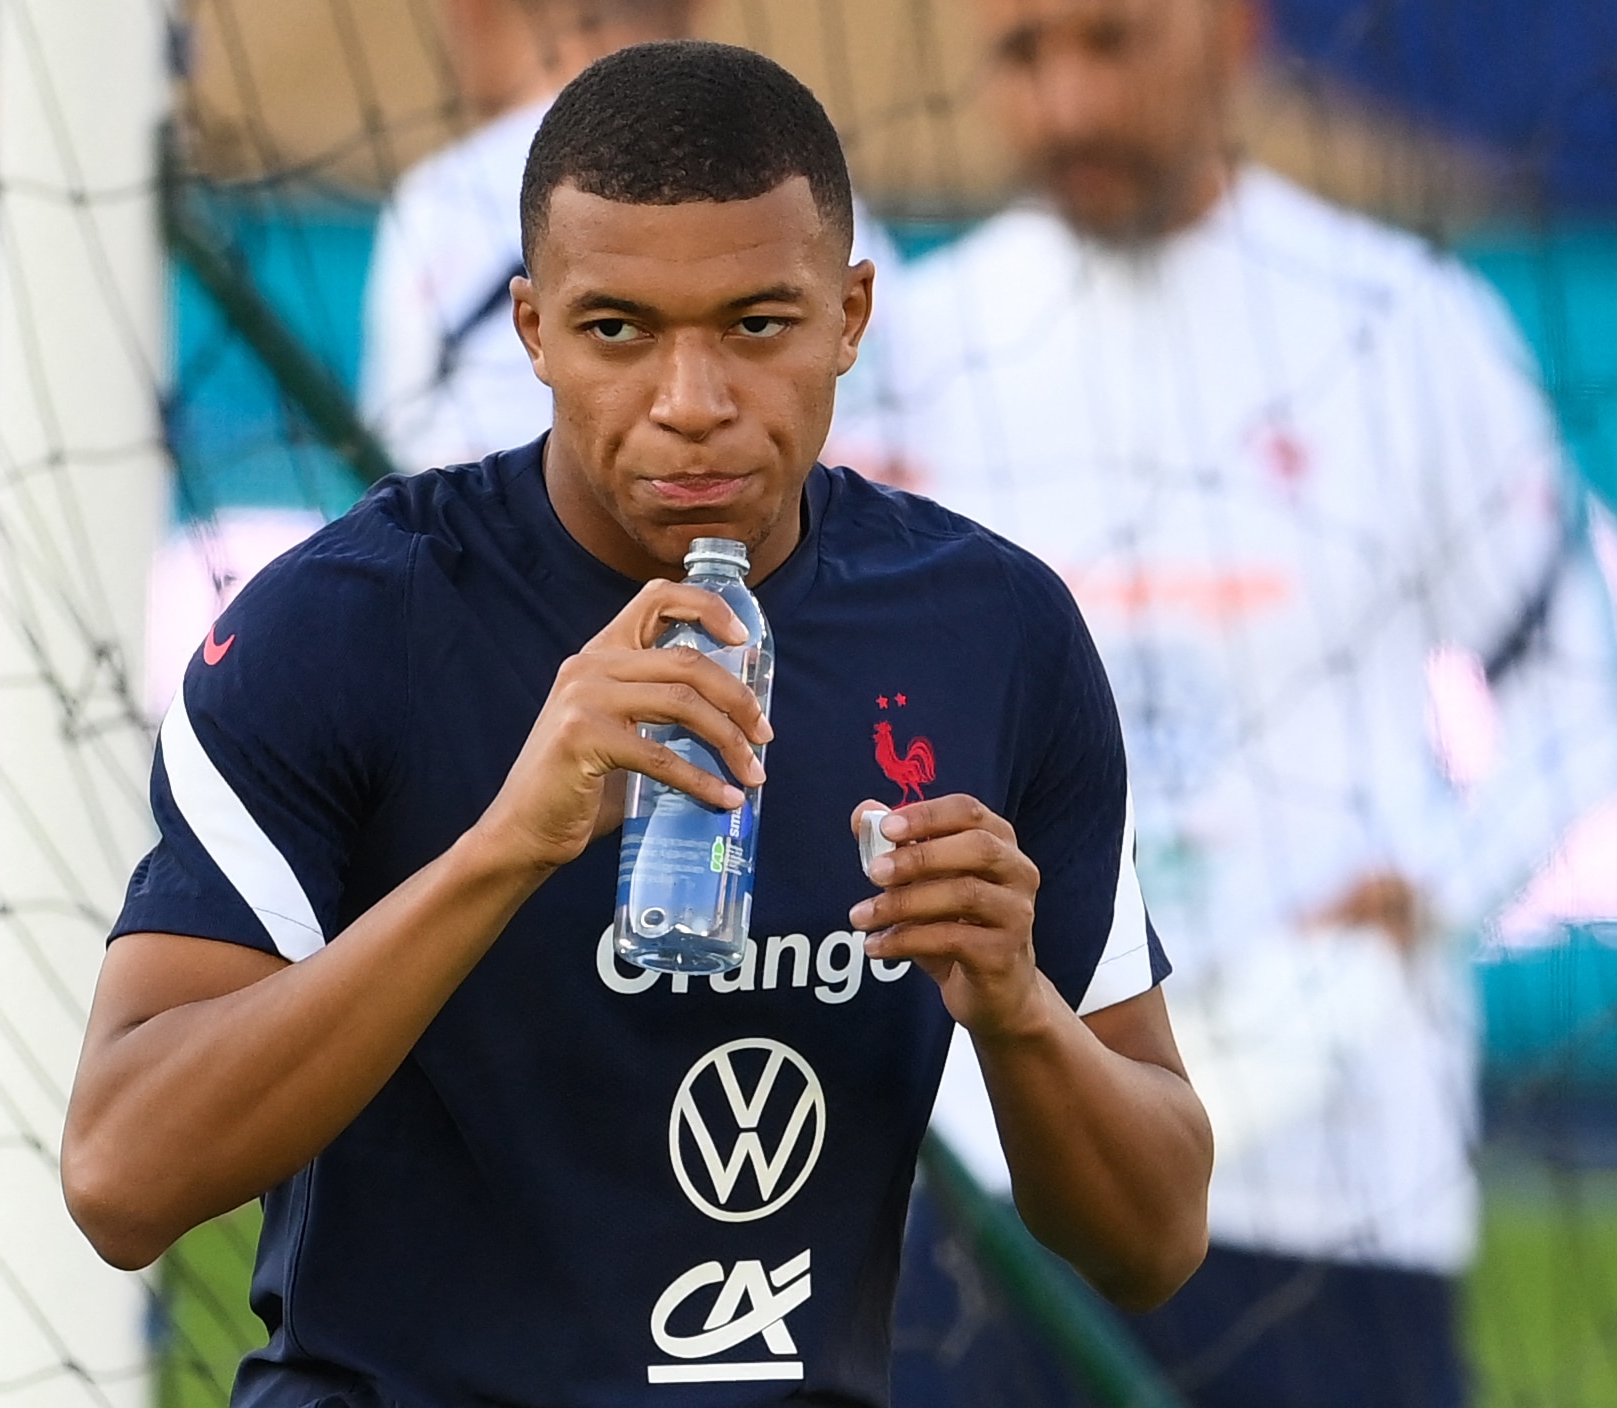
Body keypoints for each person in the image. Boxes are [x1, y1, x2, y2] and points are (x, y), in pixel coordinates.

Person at [63, 40, 1210, 1408]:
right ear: (532, 328)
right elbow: (120, 1179)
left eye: (756, 325)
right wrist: (505, 847)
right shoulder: (346, 626)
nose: (692, 401)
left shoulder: (990, 632)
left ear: (850, 316)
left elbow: (1153, 1239)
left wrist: (1021, 1014)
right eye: (619, 330)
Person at [897, 2, 1617, 1405]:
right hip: (991, 1177)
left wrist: (1429, 884)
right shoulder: (914, 347)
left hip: (1337, 1185)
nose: (1067, 105)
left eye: (1109, 43)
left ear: (1232, 34)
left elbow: (1576, 698)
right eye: (1021, 56)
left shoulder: (1405, 325)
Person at [359, 0, 910, 481]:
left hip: (497, 576)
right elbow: (885, 464)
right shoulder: (808, 199)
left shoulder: (442, 199)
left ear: (469, 8)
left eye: (756, 324)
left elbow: (399, 447)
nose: (688, 407)